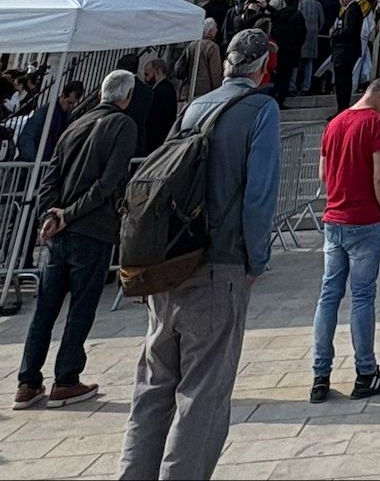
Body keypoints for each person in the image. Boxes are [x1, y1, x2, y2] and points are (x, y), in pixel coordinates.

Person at [118, 31, 281, 481]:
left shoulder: (194, 107)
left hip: (169, 264)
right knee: (203, 394)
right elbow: (259, 196)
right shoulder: (261, 110)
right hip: (219, 263)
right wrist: (256, 261)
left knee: (152, 389)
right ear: (265, 67)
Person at [18, 70, 141, 410]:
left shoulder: (74, 123)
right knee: (81, 306)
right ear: (127, 96)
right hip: (91, 227)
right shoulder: (123, 126)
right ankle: (66, 378)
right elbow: (110, 181)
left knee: (45, 307)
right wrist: (68, 214)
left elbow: (51, 177)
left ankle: (28, 381)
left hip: (60, 230)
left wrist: (51, 215)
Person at [309, 74, 380, 404]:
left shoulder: (334, 124)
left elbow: (323, 174)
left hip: (334, 219)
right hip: (365, 221)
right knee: (362, 297)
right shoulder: (376, 123)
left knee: (328, 296)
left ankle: (321, 375)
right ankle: (366, 372)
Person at [17, 78, 86, 166]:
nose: (71, 106)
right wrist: (33, 162)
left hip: (44, 161)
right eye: (69, 103)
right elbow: (27, 137)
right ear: (63, 96)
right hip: (36, 161)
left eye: (74, 103)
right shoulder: (45, 112)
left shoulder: (65, 116)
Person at [269, 0, 308, 109]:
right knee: (286, 77)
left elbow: (273, 31)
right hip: (291, 51)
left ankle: (272, 98)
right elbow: (303, 34)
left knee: (276, 76)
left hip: (279, 50)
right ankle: (280, 100)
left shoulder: (279, 14)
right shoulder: (298, 16)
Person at [131, 58, 178, 158]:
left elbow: (155, 119)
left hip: (155, 141)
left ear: (157, 71)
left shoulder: (161, 91)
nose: (145, 78)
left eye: (147, 74)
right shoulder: (167, 89)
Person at [328, 0, 364, 115]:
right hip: (345, 50)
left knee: (342, 81)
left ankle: (342, 108)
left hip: (345, 50)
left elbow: (349, 29)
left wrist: (334, 33)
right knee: (343, 80)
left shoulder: (353, 9)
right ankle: (341, 107)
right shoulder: (350, 9)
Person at [296, 0, 327, 95]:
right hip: (313, 36)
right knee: (309, 63)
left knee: (298, 62)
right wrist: (317, 30)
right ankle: (306, 87)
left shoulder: (300, 4)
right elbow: (322, 20)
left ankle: (293, 86)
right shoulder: (317, 5)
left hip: (300, 35)